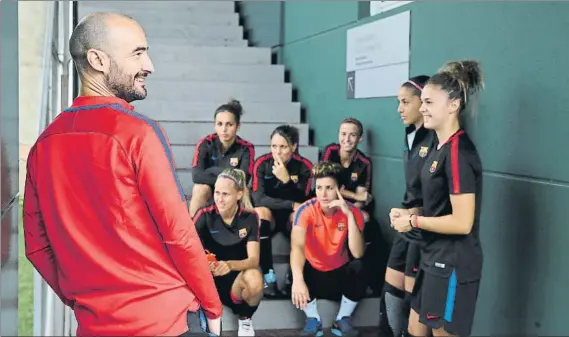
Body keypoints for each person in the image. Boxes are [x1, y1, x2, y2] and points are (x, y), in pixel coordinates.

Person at [23, 13, 222, 336]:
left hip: (95, 325)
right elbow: (178, 233)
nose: (150, 65)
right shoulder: (138, 133)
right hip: (166, 322)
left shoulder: (43, 144)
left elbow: (36, 247)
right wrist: (212, 306)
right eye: (138, 53)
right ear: (98, 60)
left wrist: (81, 299)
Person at [390, 60, 484, 337]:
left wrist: (414, 220)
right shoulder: (437, 148)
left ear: (453, 104)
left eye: (429, 102)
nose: (422, 108)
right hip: (432, 257)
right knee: (414, 329)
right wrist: (408, 214)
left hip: (453, 262)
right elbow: (439, 207)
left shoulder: (459, 153)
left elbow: (462, 223)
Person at [379, 75, 436, 337]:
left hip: (424, 228)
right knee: (391, 292)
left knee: (416, 303)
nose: (399, 109)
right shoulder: (410, 134)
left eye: (405, 102)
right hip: (405, 223)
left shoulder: (437, 139)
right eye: (398, 102)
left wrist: (415, 214)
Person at [290, 161, 367, 337]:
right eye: (319, 188)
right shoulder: (305, 210)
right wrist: (298, 280)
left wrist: (348, 215)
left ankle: (342, 319)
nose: (323, 194)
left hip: (339, 273)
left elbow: (357, 253)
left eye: (329, 188)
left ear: (340, 189)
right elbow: (297, 247)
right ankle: (313, 319)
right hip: (314, 273)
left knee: (361, 267)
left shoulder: (353, 212)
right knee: (294, 271)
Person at [193, 168, 263, 337]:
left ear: (239, 195)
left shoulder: (250, 217)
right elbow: (189, 251)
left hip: (234, 281)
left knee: (254, 278)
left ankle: (245, 320)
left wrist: (229, 265)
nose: (219, 199)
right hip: (207, 280)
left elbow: (253, 260)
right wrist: (204, 263)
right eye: (217, 192)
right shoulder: (204, 215)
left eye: (225, 194)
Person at [251, 125, 313, 297]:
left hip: (290, 219)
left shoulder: (304, 166)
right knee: (260, 212)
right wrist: (290, 204)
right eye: (274, 146)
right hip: (269, 216)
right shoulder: (262, 164)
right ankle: (269, 276)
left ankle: (292, 275)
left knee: (299, 215)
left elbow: (304, 200)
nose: (277, 152)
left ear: (293, 147)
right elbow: (259, 199)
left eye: (283, 147)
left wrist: (286, 180)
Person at [189, 100, 255, 217]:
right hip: (212, 190)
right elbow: (197, 176)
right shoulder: (205, 143)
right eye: (220, 124)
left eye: (229, 124)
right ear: (215, 125)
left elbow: (243, 179)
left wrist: (212, 170)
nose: (224, 129)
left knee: (244, 191)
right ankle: (191, 232)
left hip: (233, 191)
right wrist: (227, 174)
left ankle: (244, 230)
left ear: (238, 126)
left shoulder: (246, 148)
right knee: (199, 189)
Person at [321, 118, 373, 221]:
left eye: (352, 135)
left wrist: (347, 210)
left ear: (360, 138)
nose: (347, 139)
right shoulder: (330, 151)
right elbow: (325, 187)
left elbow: (361, 199)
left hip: (348, 205)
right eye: (343, 134)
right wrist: (354, 195)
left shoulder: (364, 163)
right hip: (326, 200)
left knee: (365, 217)